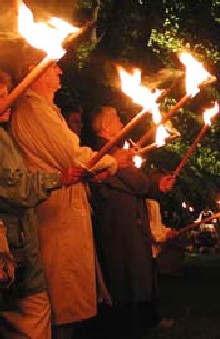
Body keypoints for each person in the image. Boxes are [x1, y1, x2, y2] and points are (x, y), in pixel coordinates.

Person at [10, 51, 132, 339]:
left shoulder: (45, 109)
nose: (60, 72)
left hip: (65, 209)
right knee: (62, 299)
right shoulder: (32, 108)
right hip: (54, 212)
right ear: (35, 70)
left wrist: (103, 167)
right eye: (54, 66)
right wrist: (112, 161)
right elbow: (73, 157)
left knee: (70, 299)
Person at [0, 69, 84, 339]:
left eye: (8, 93)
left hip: (21, 249)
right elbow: (16, 188)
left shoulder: (6, 135)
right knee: (33, 321)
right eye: (1, 96)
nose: (8, 100)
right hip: (11, 251)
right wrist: (57, 178)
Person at [88, 105, 177, 338]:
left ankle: (143, 320)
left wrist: (157, 182)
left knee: (136, 273)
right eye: (116, 118)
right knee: (124, 277)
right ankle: (127, 326)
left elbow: (141, 179)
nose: (121, 122)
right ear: (105, 126)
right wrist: (152, 184)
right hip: (118, 225)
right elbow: (138, 183)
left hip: (128, 224)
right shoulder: (103, 152)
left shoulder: (117, 150)